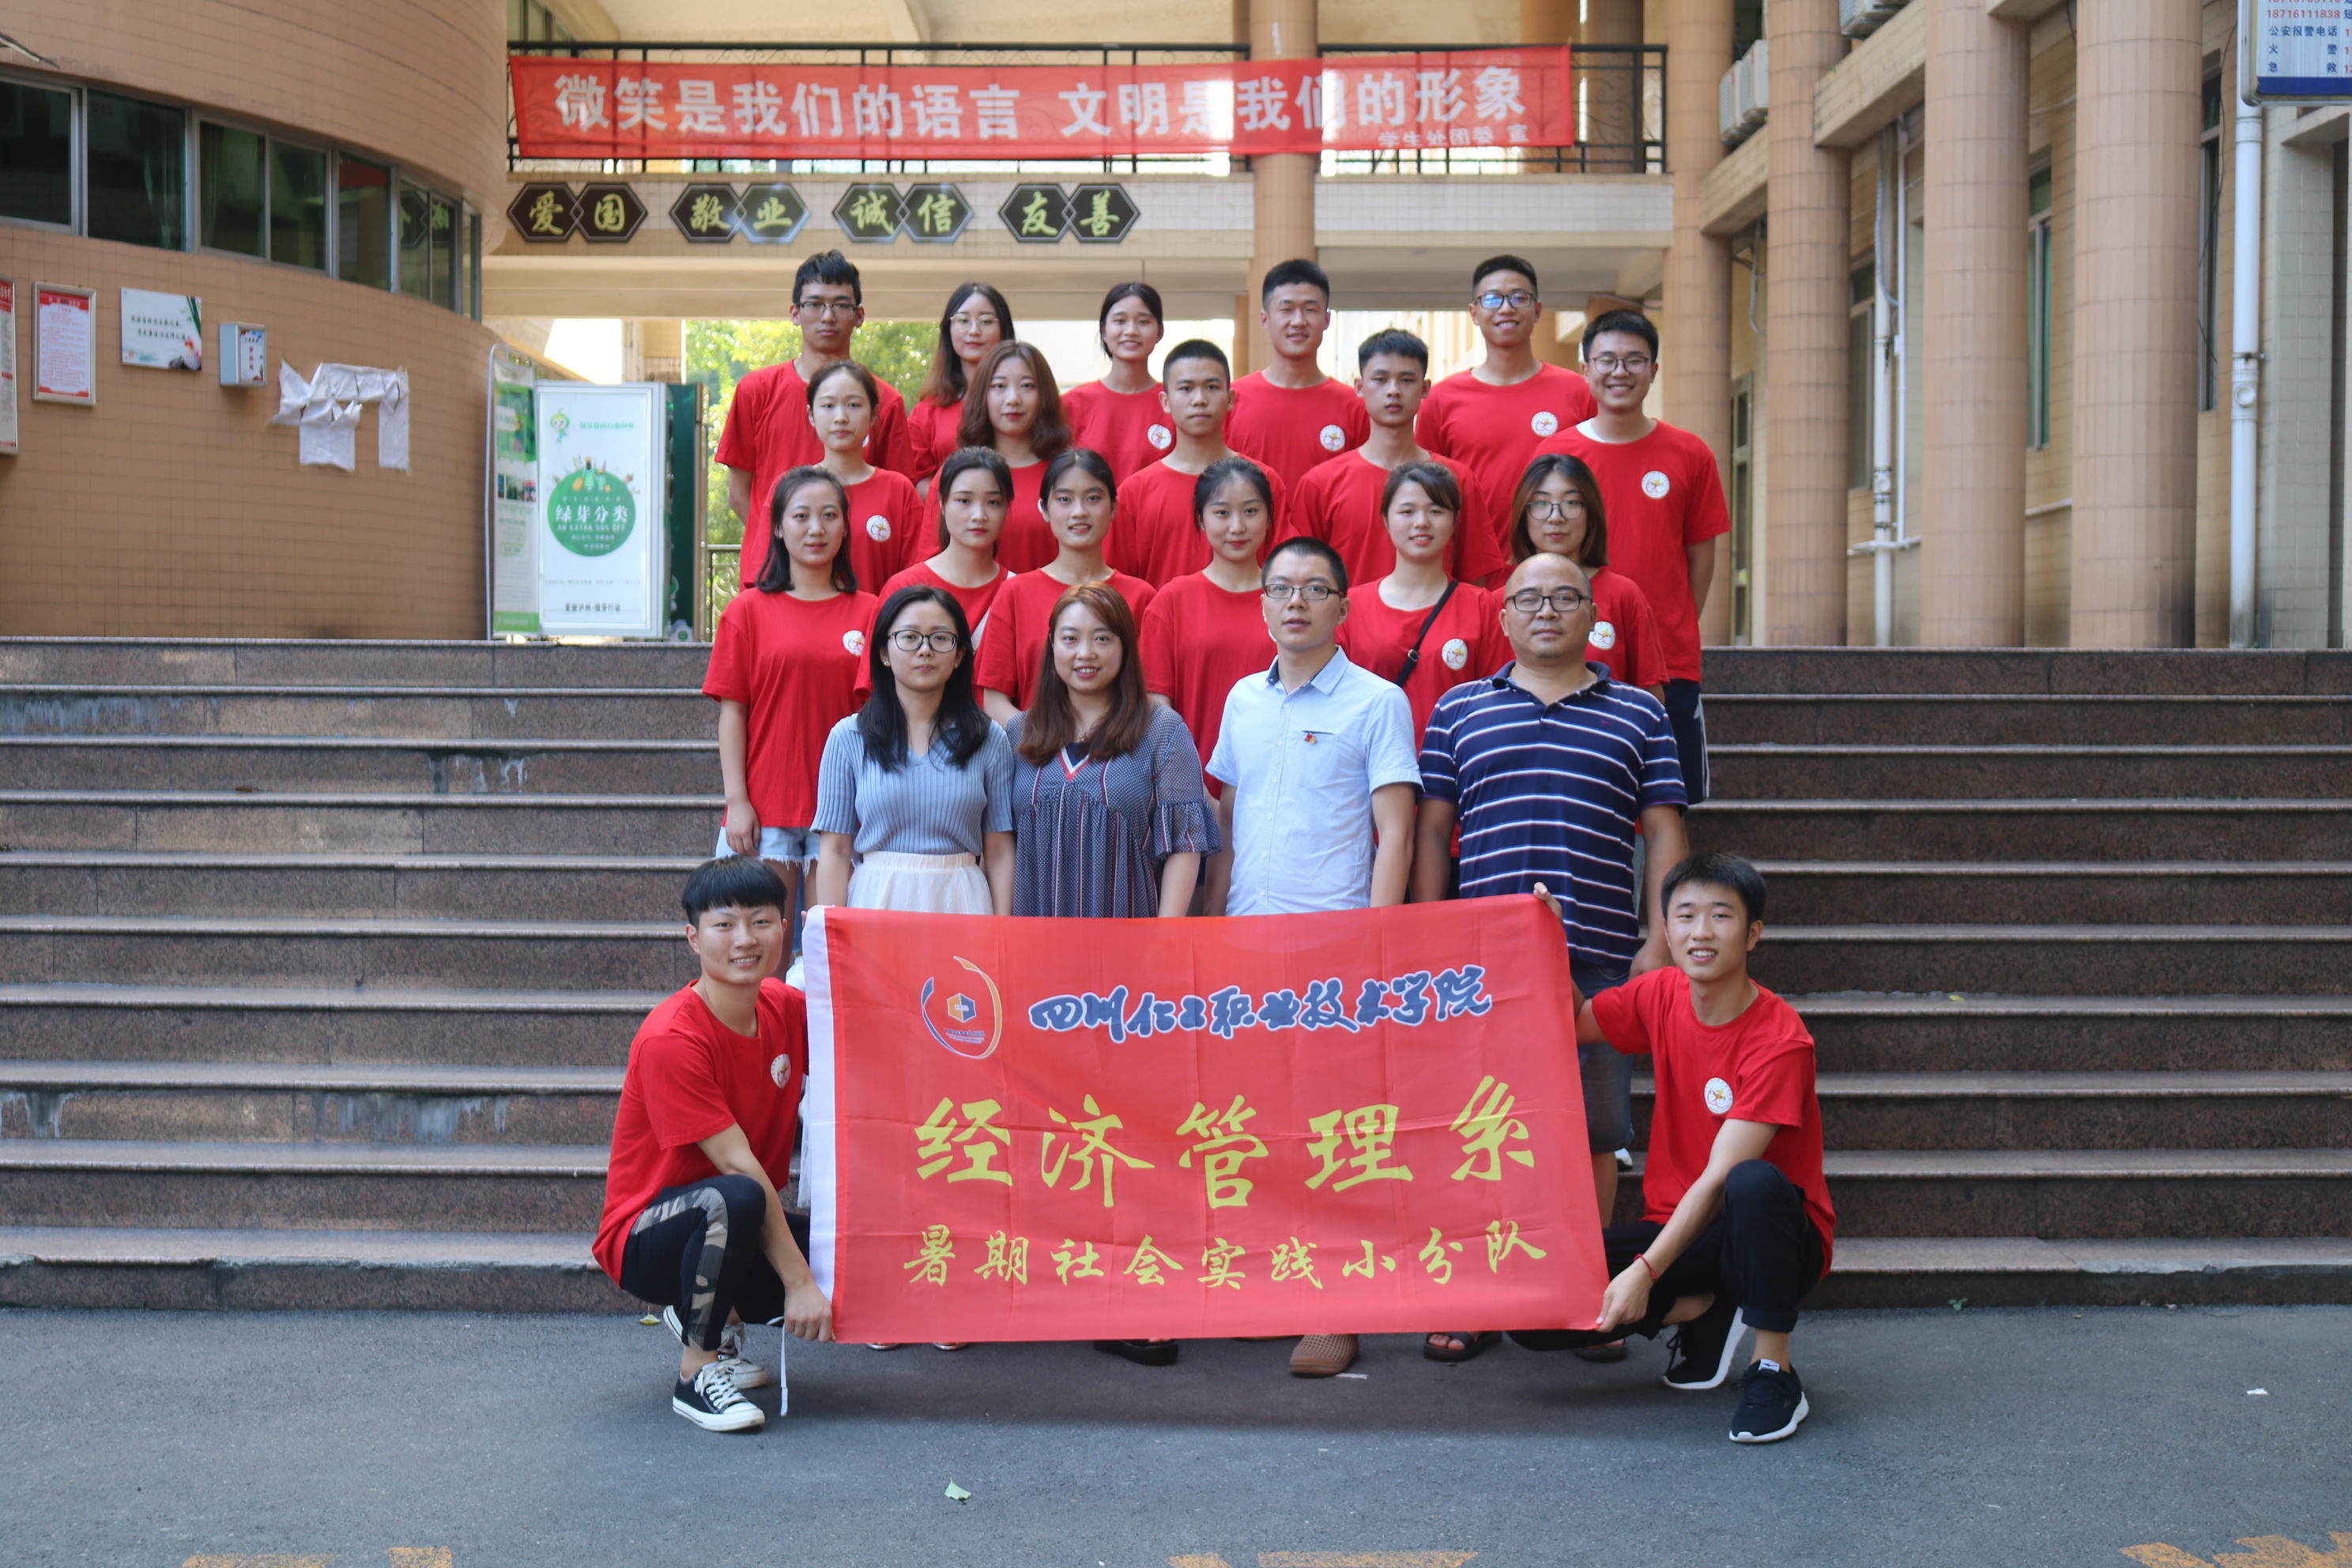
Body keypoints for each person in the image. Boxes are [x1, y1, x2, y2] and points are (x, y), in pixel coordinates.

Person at [1410, 552, 1690, 1366]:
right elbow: (1432, 829)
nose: (1546, 611)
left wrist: (1658, 939)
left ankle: (1583, 1295)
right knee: (1475, 1125)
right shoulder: (1460, 709)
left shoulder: (1640, 713)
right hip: (1480, 962)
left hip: (1599, 953)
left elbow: (1665, 830)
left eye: (1565, 597)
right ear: (1502, 617)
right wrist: (1428, 931)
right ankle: (1474, 1296)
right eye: (1529, 598)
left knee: (1594, 1132)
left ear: (1593, 616)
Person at [1514, 852, 1835, 1446]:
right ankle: (1704, 1307)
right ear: (1665, 930)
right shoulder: (1660, 994)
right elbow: (1578, 1019)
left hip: (1770, 1234)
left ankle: (1774, 1369)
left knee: (1750, 1182)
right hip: (1681, 1228)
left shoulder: (1780, 1039)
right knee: (1534, 1309)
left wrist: (1644, 1273)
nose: (1701, 932)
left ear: (1753, 934)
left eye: (1721, 915)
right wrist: (1548, 940)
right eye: (1686, 916)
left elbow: (1719, 1177)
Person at [1204, 535, 1419, 1382]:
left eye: (1315, 588)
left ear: (1343, 607)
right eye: (1281, 588)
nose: (1296, 602)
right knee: (1257, 1122)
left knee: (1336, 1128)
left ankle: (1339, 1305)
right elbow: (1226, 820)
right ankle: (1272, 1282)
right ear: (1261, 604)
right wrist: (1212, 926)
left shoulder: (1377, 702)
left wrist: (1376, 942)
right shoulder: (1241, 700)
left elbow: (1396, 831)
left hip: (1335, 948)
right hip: (1248, 943)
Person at [594, 854, 833, 1433]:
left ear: (785, 929)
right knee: (737, 1197)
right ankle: (696, 1372)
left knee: (841, 1257)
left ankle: (708, 1318)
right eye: (725, 925)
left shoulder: (785, 1009)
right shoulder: (672, 1038)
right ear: (694, 938)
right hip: (645, 1237)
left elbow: (872, 1030)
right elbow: (737, 1167)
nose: (745, 939)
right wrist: (798, 1283)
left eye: (761, 921)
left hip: (732, 1218)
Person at [1535, 309, 1731, 804]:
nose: (1619, 372)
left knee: (1666, 800)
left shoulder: (1690, 453)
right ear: (1586, 370)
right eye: (1606, 360)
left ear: (1654, 370)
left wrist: (1668, 627)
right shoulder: (1557, 455)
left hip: (1666, 657)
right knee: (1579, 796)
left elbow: (1701, 559)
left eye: (1634, 360)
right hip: (1575, 653)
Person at [707, 466, 878, 928]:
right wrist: (737, 801)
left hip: (846, 811)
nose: (816, 528)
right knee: (761, 951)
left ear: (845, 526)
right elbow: (732, 713)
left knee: (830, 948)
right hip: (767, 808)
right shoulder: (746, 612)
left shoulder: (872, 612)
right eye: (801, 516)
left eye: (829, 515)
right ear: (779, 528)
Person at [1008, 582, 1219, 922]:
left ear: (1126, 647)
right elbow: (1002, 845)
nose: (1085, 653)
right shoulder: (1020, 731)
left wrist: (1165, 936)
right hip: (1035, 932)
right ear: (1052, 644)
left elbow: (1184, 846)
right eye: (1070, 638)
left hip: (1129, 934)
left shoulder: (1162, 730)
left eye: (1102, 639)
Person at [812, 585, 1017, 922]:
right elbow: (835, 850)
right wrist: (833, 929)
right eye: (909, 637)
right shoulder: (849, 737)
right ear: (884, 652)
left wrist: (1003, 932)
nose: (925, 650)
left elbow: (998, 851)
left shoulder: (988, 738)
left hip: (961, 901)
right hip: (876, 901)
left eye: (940, 638)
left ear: (959, 655)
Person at [716, 250, 915, 583]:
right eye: (815, 304)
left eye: (840, 305)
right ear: (795, 313)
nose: (828, 316)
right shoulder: (756, 390)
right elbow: (739, 494)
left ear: (859, 315)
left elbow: (896, 504)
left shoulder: (885, 401)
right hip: (774, 576)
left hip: (859, 581)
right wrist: (793, 546)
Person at [1295, 328, 1510, 590]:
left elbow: (1474, 581)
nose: (1393, 391)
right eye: (1380, 379)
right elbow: (1304, 578)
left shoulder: (1458, 479)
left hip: (1438, 618)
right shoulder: (1320, 484)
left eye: (1406, 380)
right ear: (1359, 387)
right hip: (1350, 618)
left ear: (1425, 388)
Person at [1414, 254, 1598, 530]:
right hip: (1473, 557)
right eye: (1492, 299)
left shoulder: (1578, 392)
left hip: (1558, 554)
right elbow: (1427, 492)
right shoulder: (1440, 399)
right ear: (1474, 313)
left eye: (1519, 298)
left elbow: (1597, 484)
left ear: (1538, 310)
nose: (1506, 308)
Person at [974, 449, 1159, 722]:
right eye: (1064, 499)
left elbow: (1151, 694)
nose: (1079, 512)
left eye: (1093, 498)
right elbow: (993, 698)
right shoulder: (1015, 593)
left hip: (1121, 745)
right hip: (1035, 745)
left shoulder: (1141, 596)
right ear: (1044, 509)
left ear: (1113, 507)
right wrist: (1040, 742)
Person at [1335, 462, 1512, 744]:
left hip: (1455, 765)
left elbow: (1497, 703)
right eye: (1407, 511)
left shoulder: (1482, 607)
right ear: (1385, 519)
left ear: (1455, 521)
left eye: (1436, 511)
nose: (1421, 522)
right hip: (1370, 765)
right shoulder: (1351, 608)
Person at [1140, 457, 1277, 800]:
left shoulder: (1290, 600)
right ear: (1200, 519)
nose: (1237, 527)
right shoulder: (1171, 601)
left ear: (1269, 517)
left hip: (1281, 791)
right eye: (1222, 513)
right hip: (1191, 792)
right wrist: (1197, 793)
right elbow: (1158, 714)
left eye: (1250, 511)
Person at [1107, 339, 1289, 587]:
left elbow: (1285, 572)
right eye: (1186, 388)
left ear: (1230, 398)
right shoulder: (1134, 492)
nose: (1200, 399)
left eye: (1212, 387)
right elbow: (1119, 585)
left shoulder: (1264, 481)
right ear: (1165, 401)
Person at [1509, 451, 1669, 698]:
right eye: (1541, 504)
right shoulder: (1501, 600)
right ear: (1523, 517)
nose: (1556, 517)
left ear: (1591, 515)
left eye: (1571, 503)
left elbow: (1651, 698)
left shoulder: (1623, 595)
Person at [1227, 259, 1369, 488]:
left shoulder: (1356, 406)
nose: (1299, 321)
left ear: (1327, 320)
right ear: (1265, 319)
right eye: (1286, 310)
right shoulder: (1230, 402)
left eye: (1310, 310)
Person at [876, 447, 1014, 645]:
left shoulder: (1018, 593)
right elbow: (876, 662)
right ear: (942, 502)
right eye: (964, 500)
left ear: (1007, 506)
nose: (979, 516)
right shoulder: (904, 587)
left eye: (993, 502)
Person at [809, 360, 924, 594]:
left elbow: (918, 579)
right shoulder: (790, 490)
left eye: (853, 405)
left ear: (873, 414)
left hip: (883, 617)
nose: (841, 417)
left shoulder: (898, 491)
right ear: (811, 415)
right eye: (828, 405)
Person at [957, 340, 1071, 574]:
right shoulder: (957, 477)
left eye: (1027, 386)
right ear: (983, 394)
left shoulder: (1068, 475)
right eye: (999, 386)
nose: (1013, 399)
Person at [1062, 282, 1172, 478]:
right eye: (1120, 321)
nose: (1131, 331)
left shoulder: (1174, 403)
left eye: (1143, 322)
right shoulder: (1071, 404)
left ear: (1159, 332)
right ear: (1104, 331)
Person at [909, 281, 1013, 487]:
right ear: (948, 329)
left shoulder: (1022, 404)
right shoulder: (925, 414)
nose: (974, 331)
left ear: (1004, 329)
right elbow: (916, 482)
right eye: (963, 320)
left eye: (986, 321)